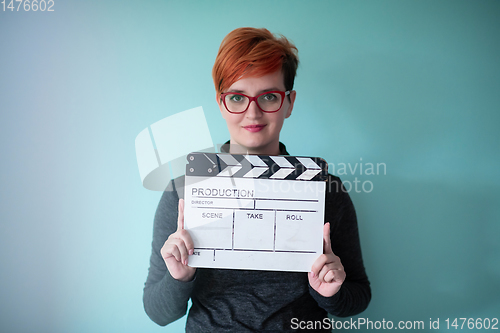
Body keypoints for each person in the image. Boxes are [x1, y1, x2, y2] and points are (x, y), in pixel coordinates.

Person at [143, 27, 371, 332]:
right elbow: (158, 313)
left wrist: (331, 291)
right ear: (220, 102)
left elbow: (358, 296)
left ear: (289, 102)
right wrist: (179, 278)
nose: (252, 112)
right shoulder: (183, 191)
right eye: (237, 97)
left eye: (268, 97)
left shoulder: (326, 189)